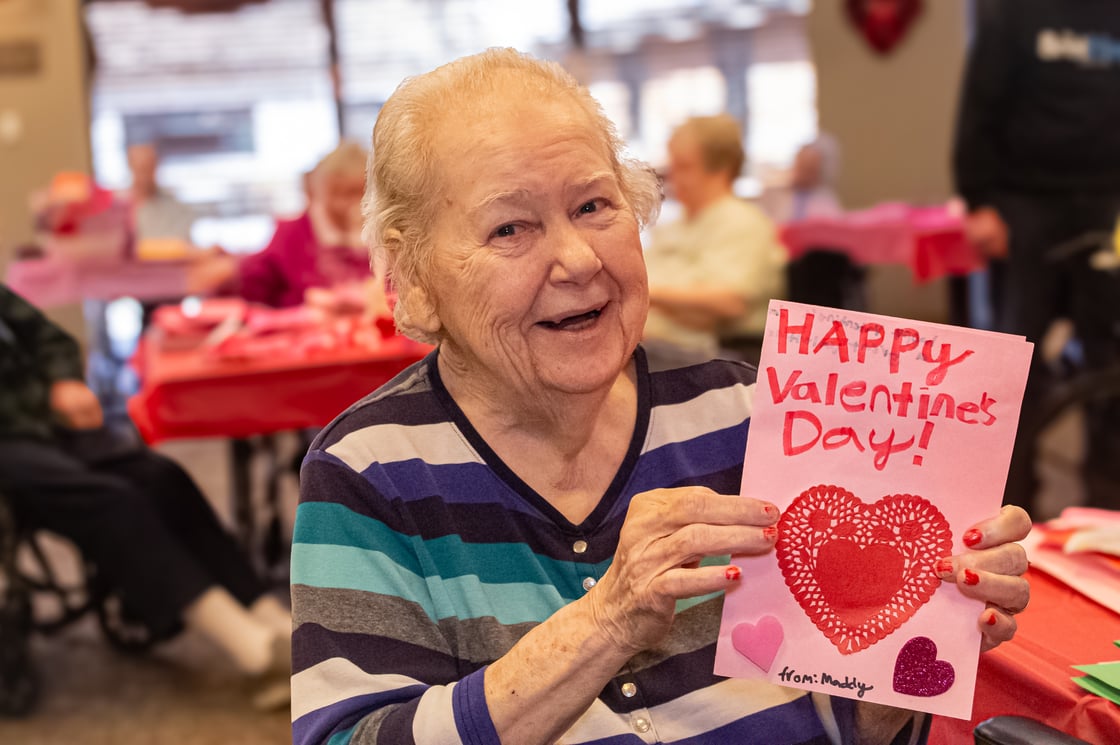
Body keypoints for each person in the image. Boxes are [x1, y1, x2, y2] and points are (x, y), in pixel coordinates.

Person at [290, 49, 1031, 745]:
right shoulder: (372, 470)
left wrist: (913, 639)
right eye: (510, 227)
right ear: (414, 278)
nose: (578, 259)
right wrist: (605, 621)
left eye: (594, 206)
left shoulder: (750, 414)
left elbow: (841, 718)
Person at [0, 285, 291, 694]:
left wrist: (63, 380)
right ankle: (252, 648)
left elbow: (47, 336)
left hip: (41, 422)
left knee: (161, 477)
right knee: (110, 501)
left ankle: (270, 616)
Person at [952, 0, 1120, 510]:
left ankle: (1106, 507)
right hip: (1023, 203)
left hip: (1107, 202)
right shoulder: (1012, 12)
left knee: (1109, 364)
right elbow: (979, 106)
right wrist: (979, 201)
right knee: (1014, 366)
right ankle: (1011, 505)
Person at [642, 114, 787, 370]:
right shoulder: (674, 226)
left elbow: (730, 301)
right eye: (672, 166)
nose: (672, 177)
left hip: (713, 359)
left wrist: (646, 294)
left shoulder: (742, 222)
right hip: (657, 350)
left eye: (684, 166)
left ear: (721, 169)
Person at [238, 141, 373, 309]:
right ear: (320, 192)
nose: (352, 203)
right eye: (339, 193)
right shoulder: (293, 233)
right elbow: (254, 286)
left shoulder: (385, 231)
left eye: (360, 192)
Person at [760, 133, 844, 224]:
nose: (802, 172)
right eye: (800, 165)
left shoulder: (827, 204)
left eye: (808, 169)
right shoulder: (773, 195)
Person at [125, 143, 197, 243]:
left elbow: (180, 243)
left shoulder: (177, 209)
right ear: (130, 167)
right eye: (140, 168)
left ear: (156, 166)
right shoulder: (119, 208)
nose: (144, 176)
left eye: (148, 168)